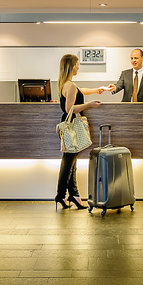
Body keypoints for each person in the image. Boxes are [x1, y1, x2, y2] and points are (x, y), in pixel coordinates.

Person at [55, 54, 103, 210]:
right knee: (68, 162)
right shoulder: (70, 86)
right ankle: (61, 195)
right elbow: (69, 109)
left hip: (69, 125)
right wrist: (89, 105)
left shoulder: (67, 84)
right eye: (76, 64)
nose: (78, 67)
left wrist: (99, 90)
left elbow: (82, 91)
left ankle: (73, 195)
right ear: (71, 66)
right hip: (72, 126)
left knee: (71, 161)